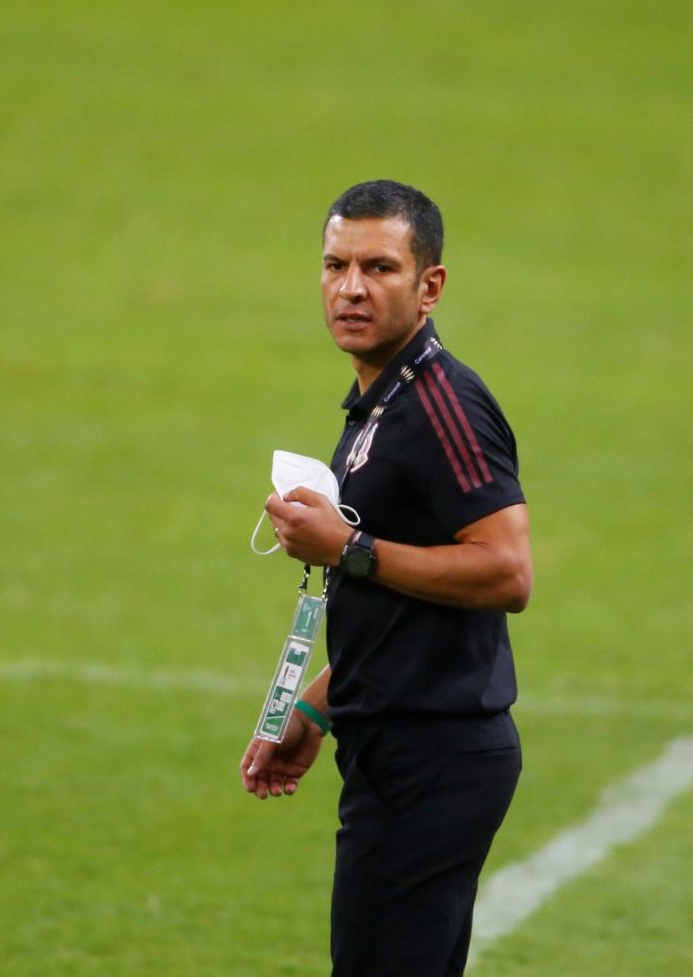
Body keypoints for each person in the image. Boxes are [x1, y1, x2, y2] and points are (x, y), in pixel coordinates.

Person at [239, 179, 532, 977]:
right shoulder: (376, 406)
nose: (351, 288)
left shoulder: (445, 408)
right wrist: (317, 708)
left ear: (428, 286)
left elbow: (506, 570)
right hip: (398, 745)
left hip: (433, 759)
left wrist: (347, 550)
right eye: (335, 266)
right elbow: (401, 610)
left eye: (379, 268)